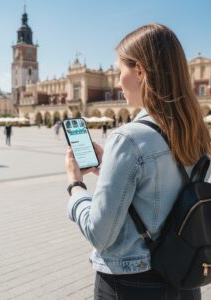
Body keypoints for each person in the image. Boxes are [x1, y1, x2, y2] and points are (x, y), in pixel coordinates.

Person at [65, 24, 210, 300]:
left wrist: (75, 187)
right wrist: (111, 165)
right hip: (186, 279)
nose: (119, 81)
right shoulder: (196, 132)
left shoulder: (129, 139)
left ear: (140, 71)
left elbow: (100, 233)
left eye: (121, 71)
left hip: (132, 285)